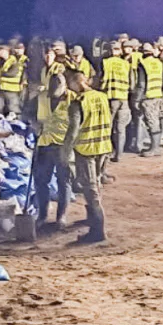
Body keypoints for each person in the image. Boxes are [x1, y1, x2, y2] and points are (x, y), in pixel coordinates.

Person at [62, 69, 113, 244]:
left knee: (90, 190)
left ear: (77, 83)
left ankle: (97, 231)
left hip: (86, 149)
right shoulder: (102, 97)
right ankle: (92, 220)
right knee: (96, 184)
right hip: (103, 146)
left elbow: (73, 130)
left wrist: (65, 151)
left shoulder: (78, 103)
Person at [34, 63, 74, 231]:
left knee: (63, 181)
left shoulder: (73, 99)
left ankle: (61, 216)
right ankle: (42, 215)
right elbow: (31, 114)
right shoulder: (42, 98)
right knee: (41, 181)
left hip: (63, 146)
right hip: (44, 144)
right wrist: (34, 126)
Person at [99, 41, 133, 164]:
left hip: (111, 97)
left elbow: (101, 79)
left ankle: (107, 153)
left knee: (108, 127)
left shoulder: (105, 63)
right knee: (121, 128)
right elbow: (132, 83)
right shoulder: (126, 64)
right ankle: (119, 154)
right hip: (124, 98)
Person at [132, 41, 163, 157]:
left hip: (148, 96)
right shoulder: (159, 63)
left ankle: (154, 148)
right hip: (157, 94)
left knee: (151, 121)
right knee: (155, 120)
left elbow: (141, 84)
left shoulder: (143, 64)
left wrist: (137, 100)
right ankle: (156, 146)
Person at [0, 43, 23, 116]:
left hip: (11, 90)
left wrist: (0, 74)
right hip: (2, 88)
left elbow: (12, 73)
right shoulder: (3, 61)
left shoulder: (14, 61)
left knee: (13, 109)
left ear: (5, 51)